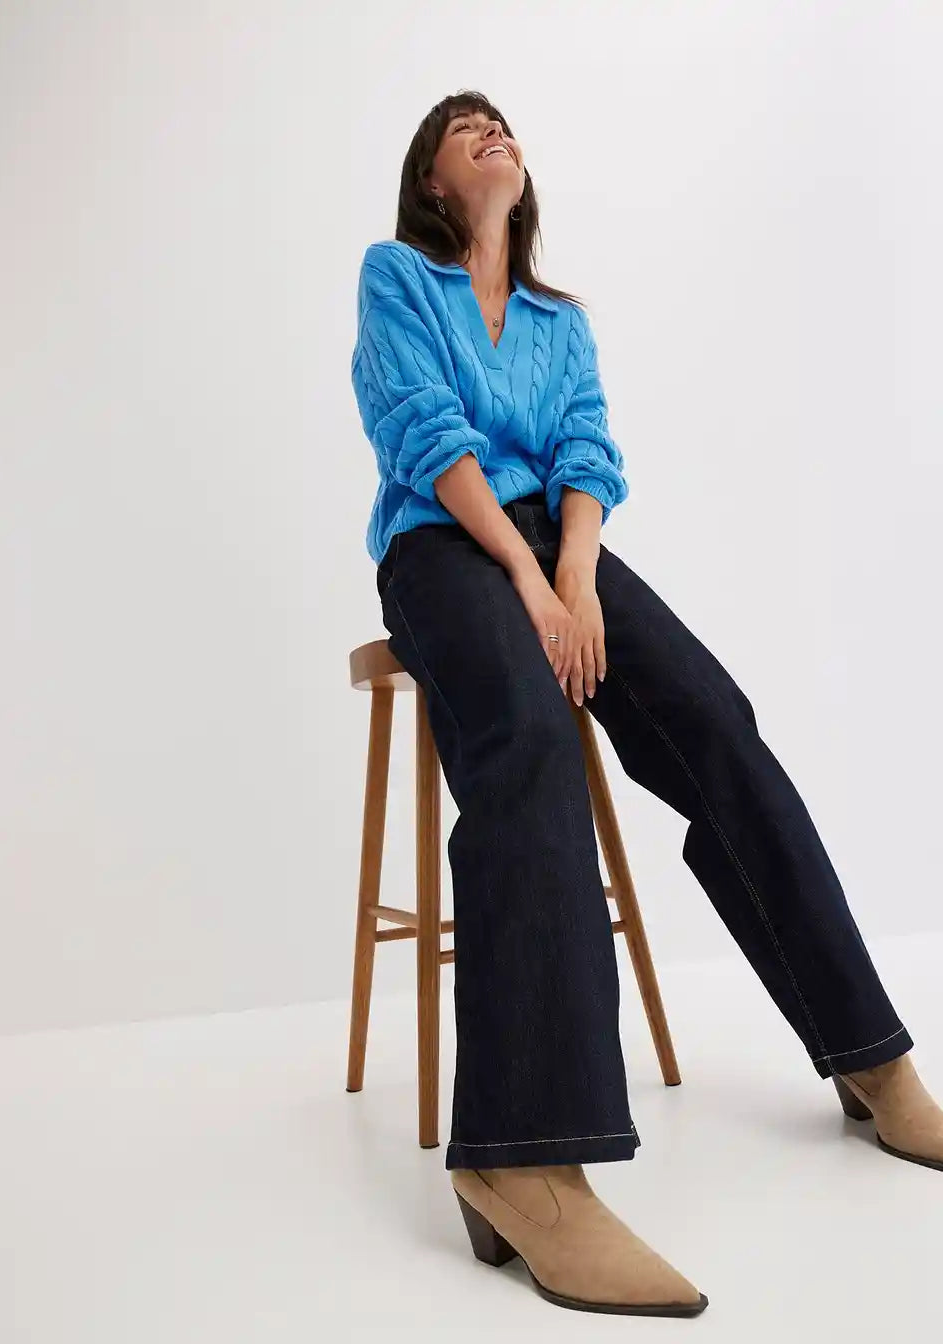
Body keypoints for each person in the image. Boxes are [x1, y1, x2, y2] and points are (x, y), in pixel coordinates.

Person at [349, 90, 943, 1318]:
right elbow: (424, 434)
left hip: (558, 546)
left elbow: (586, 450)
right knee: (527, 737)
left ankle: (870, 1059)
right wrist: (527, 584)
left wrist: (575, 574)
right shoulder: (398, 277)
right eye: (464, 129)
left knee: (716, 723)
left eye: (502, 123)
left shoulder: (559, 321)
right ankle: (519, 1159)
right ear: (432, 180)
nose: (491, 131)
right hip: (441, 546)